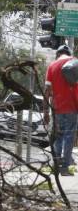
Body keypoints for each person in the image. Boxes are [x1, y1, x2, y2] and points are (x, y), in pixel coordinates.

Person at [44, 45, 78, 176]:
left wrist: (45, 112)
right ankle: (65, 168)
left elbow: (47, 91)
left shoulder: (52, 66)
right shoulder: (75, 62)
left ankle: (56, 165)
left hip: (57, 108)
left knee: (58, 136)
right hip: (72, 107)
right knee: (69, 137)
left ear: (58, 54)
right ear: (68, 53)